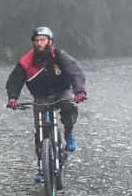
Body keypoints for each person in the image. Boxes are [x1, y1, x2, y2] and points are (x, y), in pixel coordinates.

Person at [5, 26, 88, 181]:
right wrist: (13, 98)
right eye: (36, 40)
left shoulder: (59, 56)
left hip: (61, 92)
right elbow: (14, 80)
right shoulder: (26, 61)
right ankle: (42, 168)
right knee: (40, 132)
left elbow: (75, 71)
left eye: (42, 40)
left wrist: (79, 91)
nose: (39, 43)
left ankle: (68, 133)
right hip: (41, 97)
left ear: (50, 41)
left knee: (69, 106)